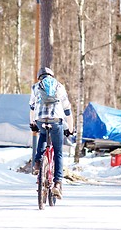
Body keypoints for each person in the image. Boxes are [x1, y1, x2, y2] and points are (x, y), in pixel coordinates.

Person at [29, 67, 73, 199]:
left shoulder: (35, 87)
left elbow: (32, 107)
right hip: (56, 120)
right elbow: (67, 109)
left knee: (42, 134)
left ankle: (37, 163)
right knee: (58, 152)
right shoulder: (59, 86)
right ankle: (57, 184)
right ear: (52, 76)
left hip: (40, 119)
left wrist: (32, 123)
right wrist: (70, 128)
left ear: (39, 77)